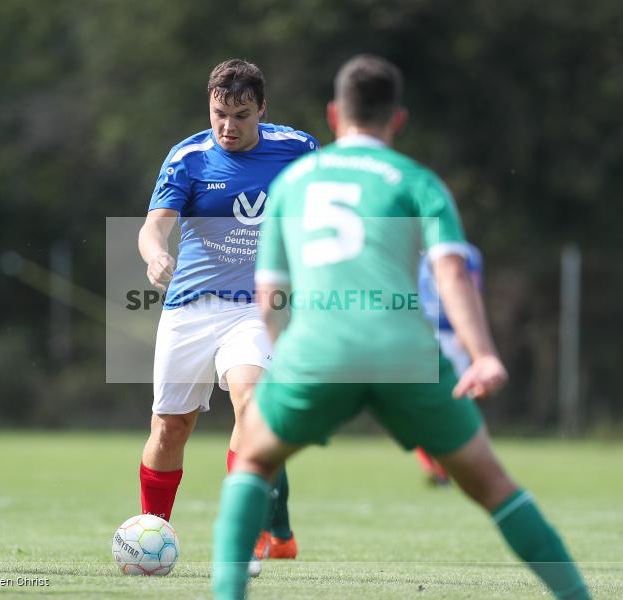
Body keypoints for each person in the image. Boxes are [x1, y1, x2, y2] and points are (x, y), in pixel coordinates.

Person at [213, 54, 590, 599]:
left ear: (334, 115)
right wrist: (482, 354)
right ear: (397, 120)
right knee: (494, 487)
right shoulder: (418, 181)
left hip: (319, 351)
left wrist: (283, 357)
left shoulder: (293, 183)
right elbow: (453, 272)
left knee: (251, 462)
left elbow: (270, 294)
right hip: (404, 353)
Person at [137, 59, 318, 567]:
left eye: (240, 115)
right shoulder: (187, 157)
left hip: (256, 310)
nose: (227, 126)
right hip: (189, 310)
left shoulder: (297, 150)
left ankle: (242, 534)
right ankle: (153, 536)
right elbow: (153, 228)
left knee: (251, 401)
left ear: (262, 108)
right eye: (219, 113)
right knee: (170, 428)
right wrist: (156, 255)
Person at [415, 243, 483, 485]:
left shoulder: (468, 254)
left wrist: (465, 331)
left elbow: (471, 289)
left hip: (453, 335)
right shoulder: (418, 254)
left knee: (457, 400)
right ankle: (435, 467)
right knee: (420, 404)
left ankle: (454, 462)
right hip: (425, 332)